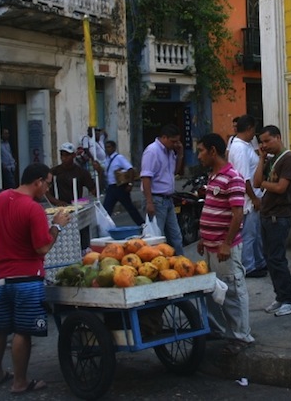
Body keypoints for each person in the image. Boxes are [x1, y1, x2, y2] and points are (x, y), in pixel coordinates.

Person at [0, 163, 71, 393]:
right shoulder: (33, 209)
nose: (48, 189)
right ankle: (20, 382)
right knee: (23, 331)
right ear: (38, 182)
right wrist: (57, 227)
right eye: (48, 183)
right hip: (27, 279)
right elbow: (42, 248)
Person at [195, 133, 255, 355]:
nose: (199, 156)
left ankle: (241, 336)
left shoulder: (233, 177)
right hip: (211, 247)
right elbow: (212, 209)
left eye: (201, 151)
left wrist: (226, 244)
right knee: (214, 290)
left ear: (212, 151)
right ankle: (219, 330)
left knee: (232, 290)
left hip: (224, 248)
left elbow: (237, 214)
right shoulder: (213, 177)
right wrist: (203, 238)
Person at [253, 125, 291, 317]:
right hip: (267, 214)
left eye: (267, 141)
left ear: (278, 137)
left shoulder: (289, 158)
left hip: (278, 215)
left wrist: (264, 184)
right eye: (262, 142)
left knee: (277, 259)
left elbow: (281, 187)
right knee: (270, 259)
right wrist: (261, 159)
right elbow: (256, 180)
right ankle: (281, 296)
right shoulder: (271, 160)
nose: (264, 145)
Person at [228, 115, 266, 278]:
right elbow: (244, 178)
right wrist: (254, 198)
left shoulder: (246, 145)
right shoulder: (240, 148)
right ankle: (248, 266)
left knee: (255, 233)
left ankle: (259, 262)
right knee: (248, 235)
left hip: (253, 197)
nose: (254, 134)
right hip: (248, 200)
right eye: (254, 131)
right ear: (250, 128)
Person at [141, 124, 185, 255]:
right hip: (156, 199)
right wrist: (149, 202)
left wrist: (180, 154)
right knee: (156, 238)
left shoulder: (170, 152)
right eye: (173, 141)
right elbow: (146, 177)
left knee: (175, 236)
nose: (175, 144)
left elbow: (175, 172)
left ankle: (181, 263)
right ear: (164, 138)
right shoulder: (152, 151)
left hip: (168, 199)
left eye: (177, 141)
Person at [48, 142, 96, 249]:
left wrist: (81, 202)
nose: (64, 158)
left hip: (76, 207)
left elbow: (93, 190)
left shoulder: (81, 172)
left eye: (67, 155)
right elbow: (46, 191)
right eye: (62, 155)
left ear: (74, 155)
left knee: (82, 235)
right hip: (59, 208)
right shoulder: (54, 172)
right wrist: (56, 201)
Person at [103, 140, 144, 226]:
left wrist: (130, 184)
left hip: (120, 187)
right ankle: (105, 227)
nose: (107, 149)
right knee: (106, 210)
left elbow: (130, 169)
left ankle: (142, 224)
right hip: (111, 187)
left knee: (130, 207)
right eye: (106, 147)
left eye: (109, 147)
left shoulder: (119, 158)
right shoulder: (106, 159)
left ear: (114, 148)